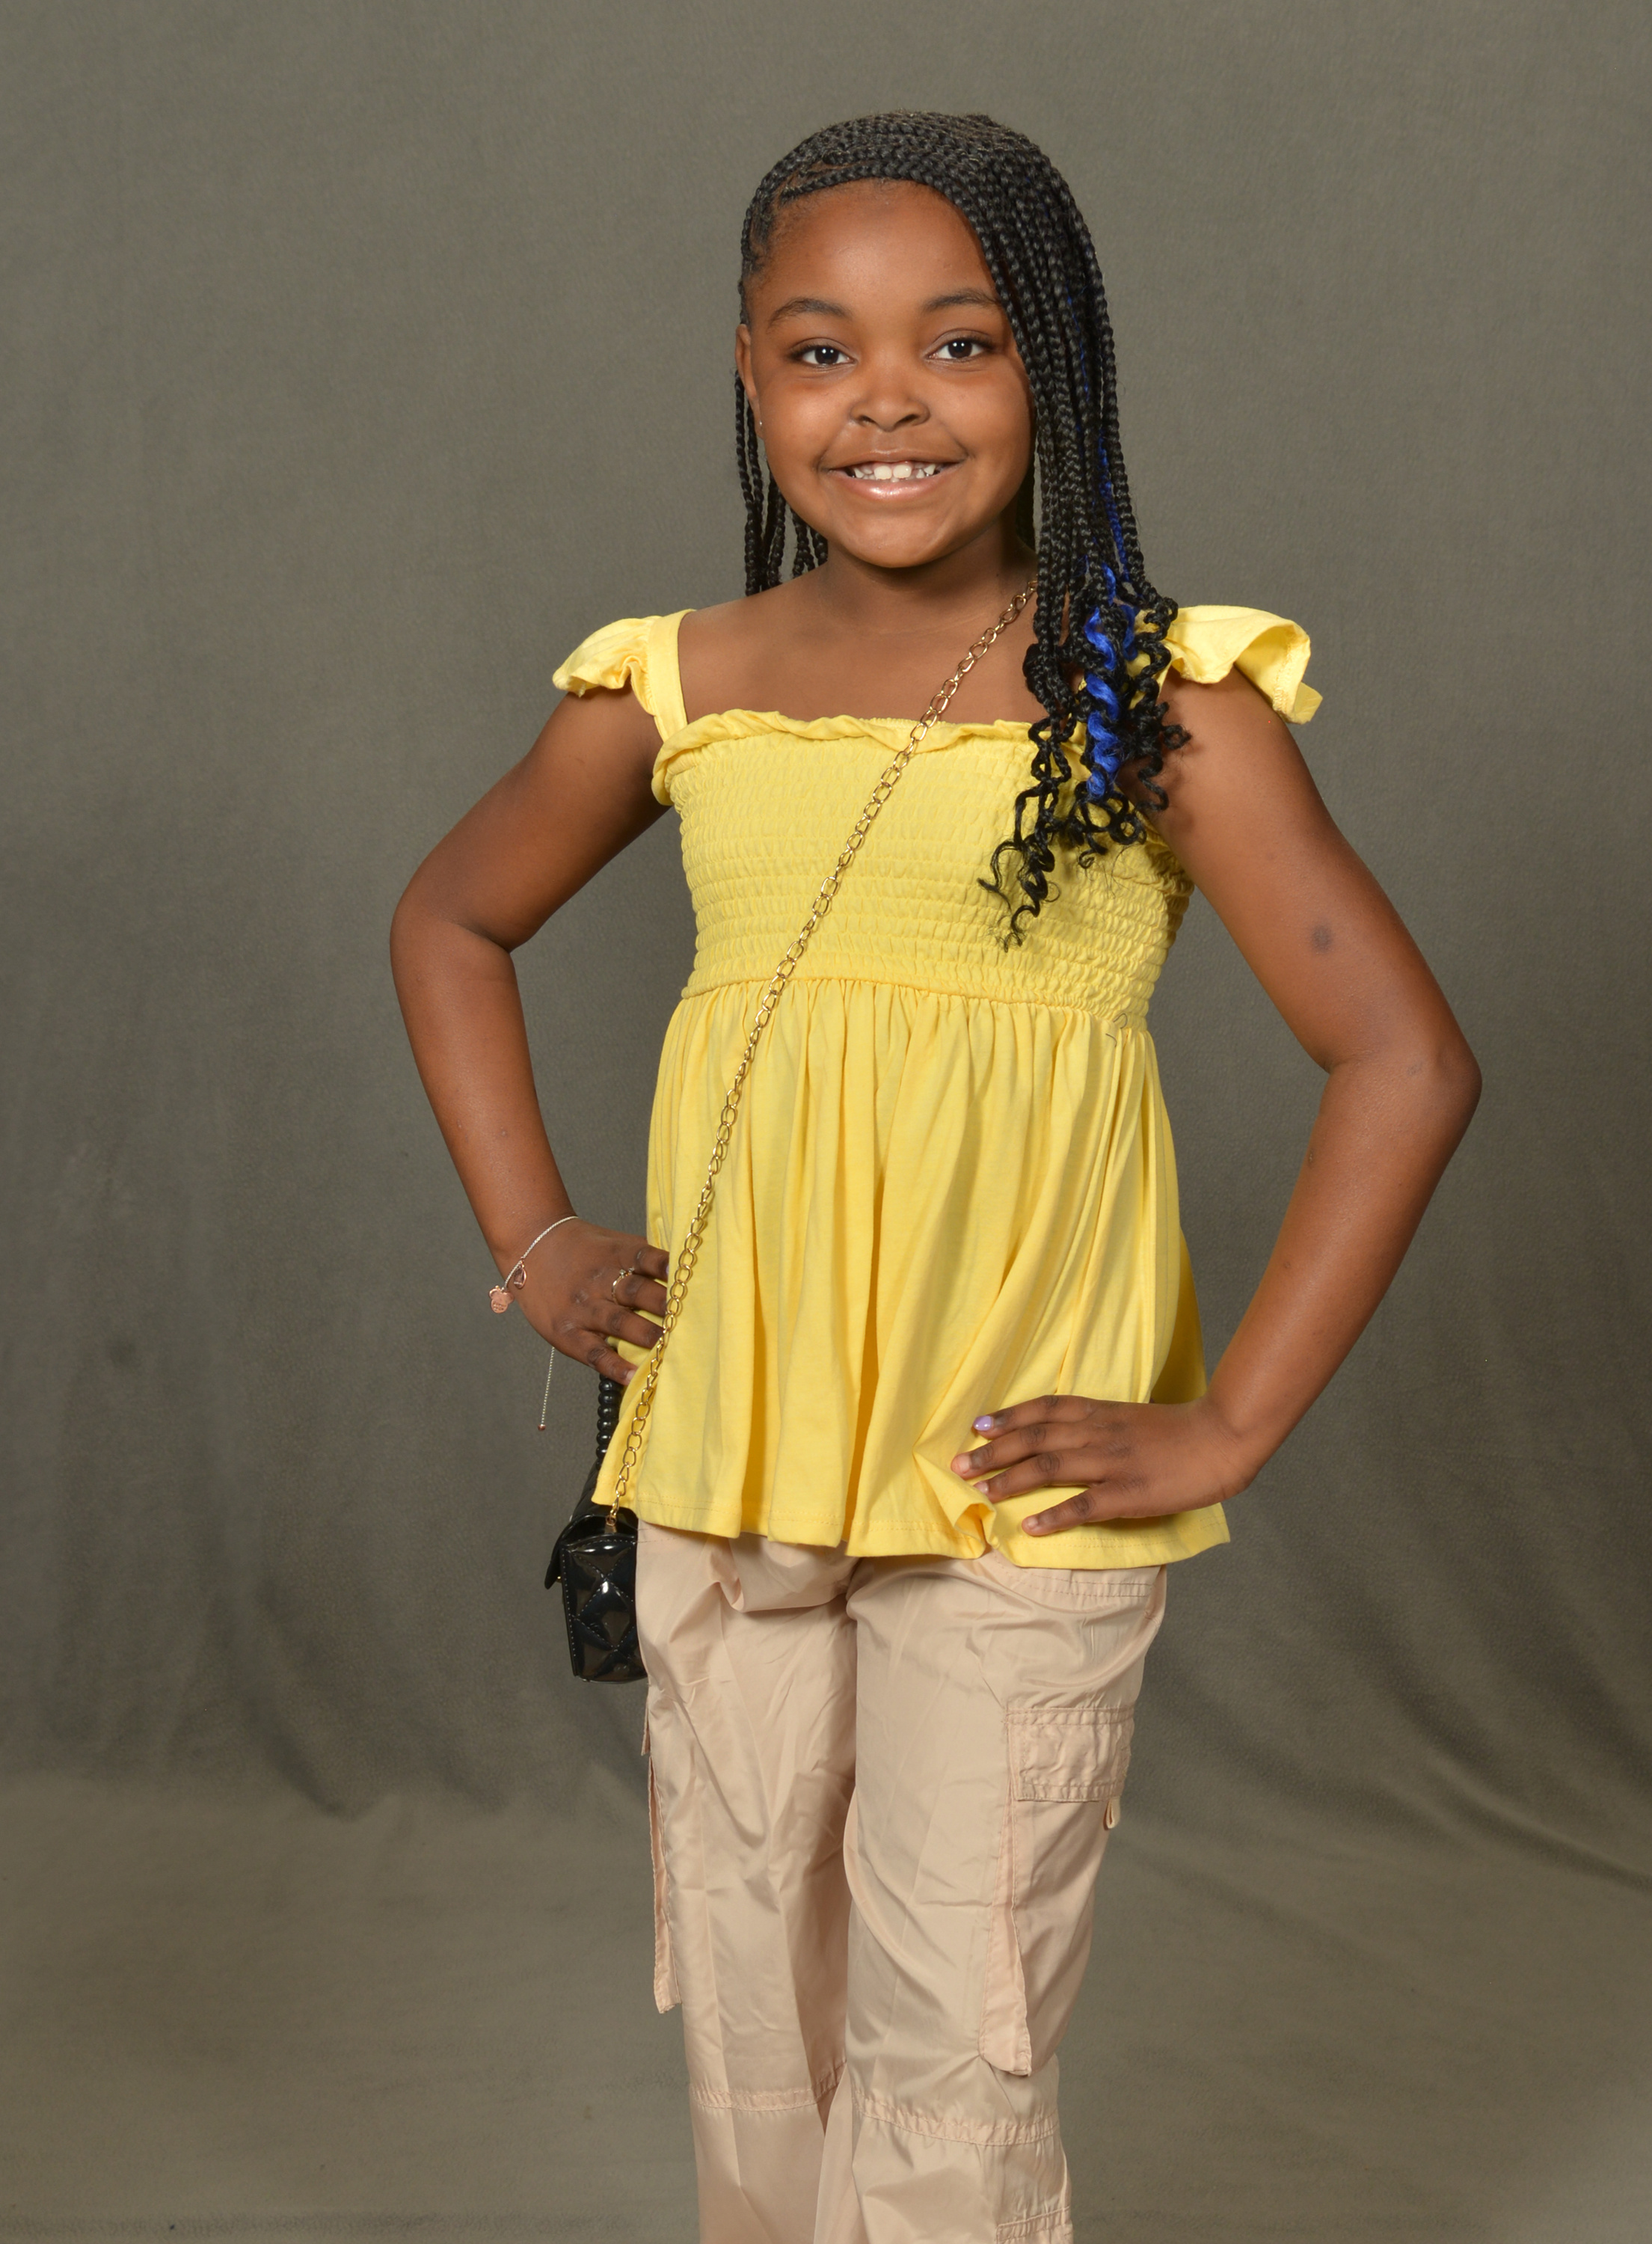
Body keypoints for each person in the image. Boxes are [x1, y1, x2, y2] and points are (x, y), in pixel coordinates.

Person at [390, 111, 1480, 2244]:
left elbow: (1405, 1060)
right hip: (731, 1465)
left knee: (955, 2048)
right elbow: (451, 916)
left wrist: (1229, 1420)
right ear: (748, 375)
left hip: (1012, 1492)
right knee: (755, 2020)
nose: (884, 400)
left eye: (959, 343)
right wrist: (535, 1239)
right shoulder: (680, 687)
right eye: (821, 351)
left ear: (1055, 369)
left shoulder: (1154, 704)